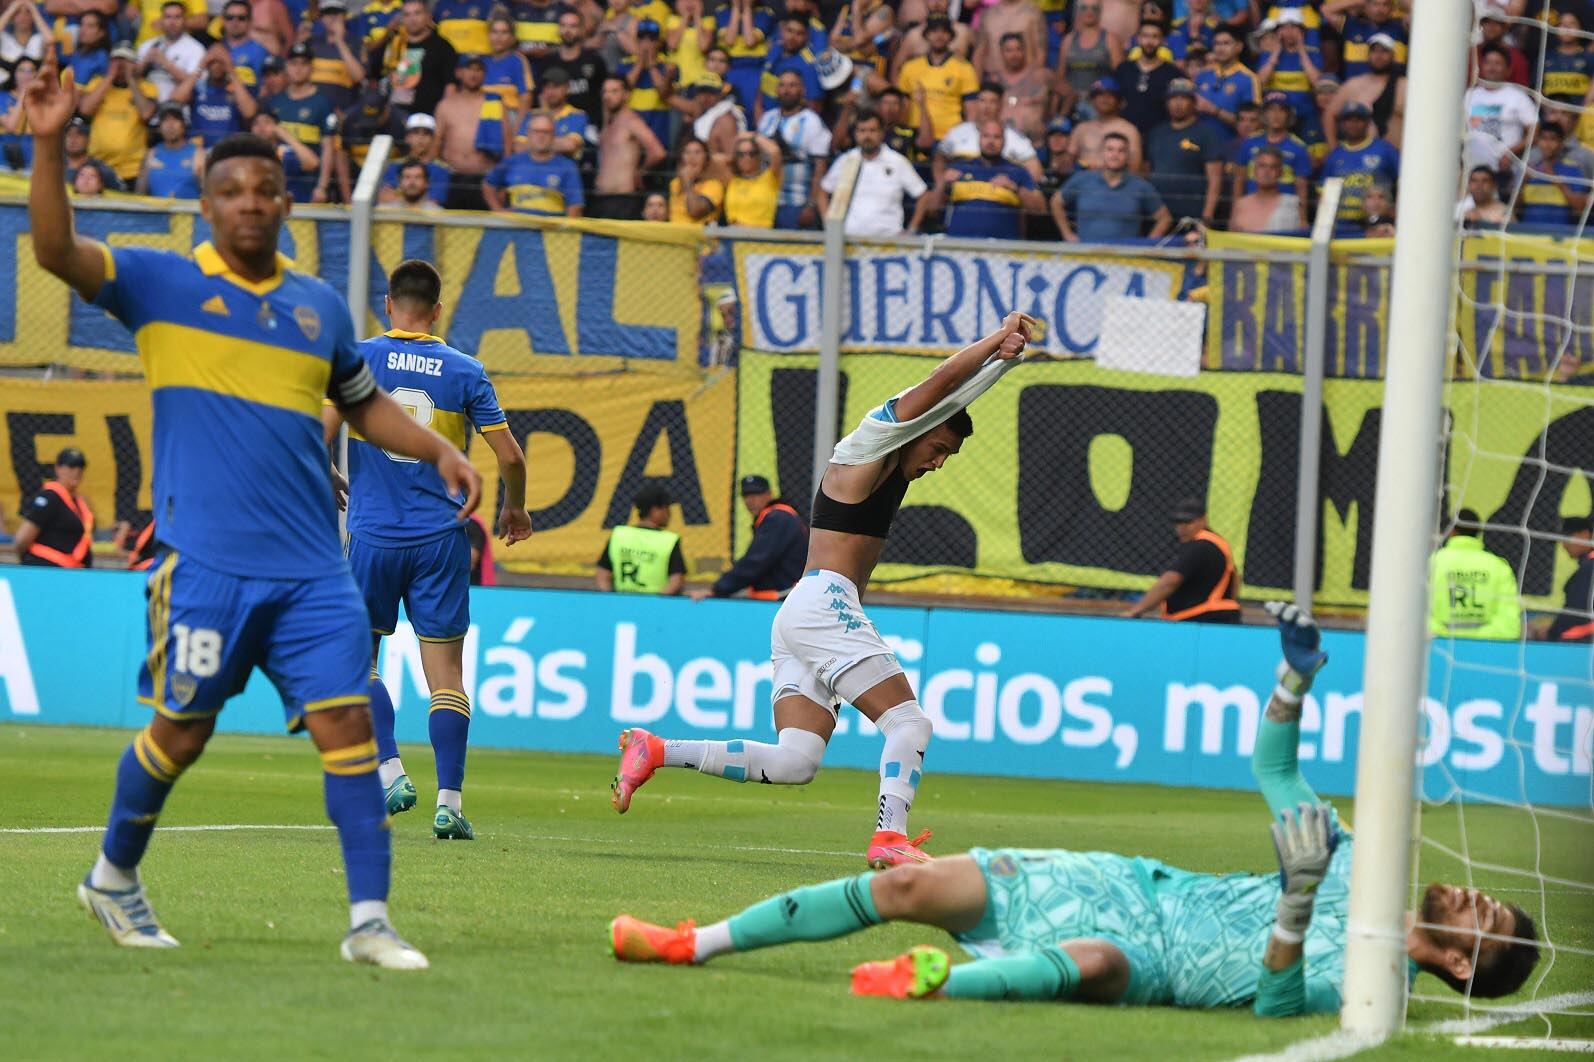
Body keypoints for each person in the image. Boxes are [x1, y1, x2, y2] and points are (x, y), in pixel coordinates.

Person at [28, 45, 483, 964]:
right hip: (207, 564)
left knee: (349, 722)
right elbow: (54, 249)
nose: (248, 202)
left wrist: (437, 445)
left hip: (316, 569)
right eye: (230, 189)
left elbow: (363, 406)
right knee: (182, 733)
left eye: (264, 189)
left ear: (284, 202)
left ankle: (369, 922)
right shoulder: (161, 284)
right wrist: (47, 145)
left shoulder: (318, 308)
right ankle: (113, 877)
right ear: (208, 202)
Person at [609, 605, 1543, 1018]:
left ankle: (929, 980)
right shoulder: (1354, 864)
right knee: (902, 881)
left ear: (1458, 962)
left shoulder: (1379, 992)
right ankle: (692, 942)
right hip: (1127, 884)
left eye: (1480, 916)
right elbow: (1272, 762)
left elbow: (1273, 1005)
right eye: (1483, 898)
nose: (1466, 894)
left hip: (1157, 962)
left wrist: (1295, 904)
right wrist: (1295, 679)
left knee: (1091, 964)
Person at [609, 312, 1036, 869]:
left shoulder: (896, 459)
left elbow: (945, 403)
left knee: (796, 761)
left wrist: (1002, 362)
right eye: (937, 450)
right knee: (910, 723)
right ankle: (890, 837)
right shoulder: (868, 445)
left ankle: (657, 749)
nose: (936, 464)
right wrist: (989, 344)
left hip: (803, 609)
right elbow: (936, 388)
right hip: (825, 605)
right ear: (919, 428)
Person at [324, 259, 530, 841]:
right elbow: (510, 457)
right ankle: (450, 802)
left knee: (356, 663)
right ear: (437, 311)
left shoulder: (358, 358)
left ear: (387, 304)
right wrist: (513, 508)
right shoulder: (466, 370)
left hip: (371, 538)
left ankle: (390, 771)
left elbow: (313, 432)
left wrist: (328, 473)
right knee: (446, 678)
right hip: (441, 539)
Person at [691, 475, 807, 601]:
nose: (749, 501)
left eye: (755, 495)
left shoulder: (777, 517)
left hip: (783, 596)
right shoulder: (780, 515)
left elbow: (756, 562)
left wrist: (718, 588)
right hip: (784, 594)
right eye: (746, 496)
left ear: (769, 494)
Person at [1124, 497, 1240, 622]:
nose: (1182, 528)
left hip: (1203, 620)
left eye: (1188, 522)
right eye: (1178, 522)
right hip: (1216, 619)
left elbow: (1170, 581)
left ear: (1203, 520)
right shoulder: (1215, 543)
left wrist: (1135, 611)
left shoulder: (1201, 545)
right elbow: (1236, 579)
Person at [819, 107, 927, 237]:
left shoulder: (897, 161)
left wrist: (912, 230)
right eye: (862, 131)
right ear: (855, 134)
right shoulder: (846, 160)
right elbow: (822, 192)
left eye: (872, 130)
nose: (867, 136)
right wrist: (830, 227)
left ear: (882, 133)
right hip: (849, 242)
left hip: (889, 241)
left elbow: (923, 195)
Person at [932, 118, 1044, 239]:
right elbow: (931, 210)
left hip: (1002, 250)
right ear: (979, 139)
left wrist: (1015, 189)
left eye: (996, 137)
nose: (991, 141)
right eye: (986, 136)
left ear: (1004, 141)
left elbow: (1040, 210)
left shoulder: (1018, 171)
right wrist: (942, 184)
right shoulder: (959, 167)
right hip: (960, 250)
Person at [1053, 131, 1170, 241]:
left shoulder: (1140, 186)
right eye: (1110, 149)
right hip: (1085, 256)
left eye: (1121, 150)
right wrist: (1067, 234)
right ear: (1101, 153)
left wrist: (1147, 245)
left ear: (1128, 156)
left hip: (1124, 259)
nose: (1115, 155)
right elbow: (1056, 202)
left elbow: (1164, 218)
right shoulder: (1082, 179)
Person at [1429, 509, 1521, 642]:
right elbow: (1509, 626)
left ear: (1451, 531)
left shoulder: (1432, 563)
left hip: (1438, 647)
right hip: (1487, 651)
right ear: (1479, 532)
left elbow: (1417, 616)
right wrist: (1477, 637)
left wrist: (1444, 634)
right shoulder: (1499, 567)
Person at [434, 52, 512, 210]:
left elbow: (507, 146)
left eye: (479, 70)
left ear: (484, 74)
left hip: (486, 179)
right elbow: (435, 145)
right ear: (459, 73)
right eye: (469, 69)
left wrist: (503, 183)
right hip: (452, 178)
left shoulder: (495, 104)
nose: (474, 74)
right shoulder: (445, 105)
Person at [756, 68, 831, 228]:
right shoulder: (767, 119)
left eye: (792, 85)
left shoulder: (812, 122)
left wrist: (811, 205)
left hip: (797, 204)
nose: (786, 90)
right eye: (782, 85)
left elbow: (820, 168)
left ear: (802, 90)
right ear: (776, 89)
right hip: (765, 202)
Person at [1143, 77, 1222, 227]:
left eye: (1184, 98)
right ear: (1166, 102)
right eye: (1173, 98)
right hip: (1157, 215)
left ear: (1194, 102)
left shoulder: (1206, 134)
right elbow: (1146, 174)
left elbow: (1215, 180)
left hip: (1191, 215)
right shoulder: (1156, 133)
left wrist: (1207, 217)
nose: (1178, 103)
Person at [265, 42, 335, 200]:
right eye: (293, 63)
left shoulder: (322, 102)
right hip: (279, 184)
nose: (298, 69)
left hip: (309, 184)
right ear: (287, 66)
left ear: (311, 67)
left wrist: (322, 186)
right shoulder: (275, 102)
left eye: (304, 64)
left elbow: (328, 148)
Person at [484, 107, 584, 214]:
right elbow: (488, 184)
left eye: (546, 132)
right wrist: (498, 210)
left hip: (550, 229)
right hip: (517, 228)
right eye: (536, 131)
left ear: (554, 135)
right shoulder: (513, 161)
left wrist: (565, 229)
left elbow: (576, 205)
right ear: (528, 134)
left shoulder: (567, 167)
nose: (541, 136)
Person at [591, 76, 665, 219]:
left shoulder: (631, 121)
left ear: (626, 95)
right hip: (601, 198)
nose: (608, 96)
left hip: (622, 199)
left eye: (614, 91)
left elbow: (658, 152)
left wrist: (640, 171)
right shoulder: (608, 123)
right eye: (605, 92)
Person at [81, 44, 156, 185]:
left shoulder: (146, 87)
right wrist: (109, 76)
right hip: (98, 167)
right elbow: (85, 109)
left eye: (125, 61)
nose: (120, 65)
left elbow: (146, 114)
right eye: (116, 60)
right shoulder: (98, 82)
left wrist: (130, 79)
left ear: (135, 64)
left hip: (131, 170)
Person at [896, 14, 977, 143]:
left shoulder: (965, 69)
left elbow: (971, 110)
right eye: (934, 31)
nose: (939, 36)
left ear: (951, 36)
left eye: (944, 32)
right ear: (926, 35)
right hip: (915, 135)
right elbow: (903, 107)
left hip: (950, 137)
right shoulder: (910, 68)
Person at [372, 0, 459, 118]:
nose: (412, 19)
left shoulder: (443, 47)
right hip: (393, 116)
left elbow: (450, 86)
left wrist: (444, 115)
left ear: (428, 16)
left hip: (427, 117)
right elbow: (373, 76)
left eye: (417, 13)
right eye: (407, 15)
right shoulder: (393, 44)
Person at [596, 486, 688, 595]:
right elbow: (676, 581)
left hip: (621, 601)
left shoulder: (619, 534)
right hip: (654, 605)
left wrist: (610, 597)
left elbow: (602, 573)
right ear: (655, 510)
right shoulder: (669, 540)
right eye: (666, 508)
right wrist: (656, 602)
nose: (669, 513)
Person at [14, 447, 95, 568]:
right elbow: (22, 539)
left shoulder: (80, 502)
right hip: (45, 568)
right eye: (71, 467)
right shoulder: (50, 497)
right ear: (58, 468)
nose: (76, 472)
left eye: (80, 468)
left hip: (70, 570)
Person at [1320, 100, 1398, 225]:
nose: (1353, 124)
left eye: (1358, 120)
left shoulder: (1384, 149)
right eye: (1348, 120)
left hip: (1376, 223)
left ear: (1368, 123)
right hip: (1341, 224)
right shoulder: (1334, 155)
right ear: (1342, 124)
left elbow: (1404, 183)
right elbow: (1324, 194)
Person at [1321, 33, 1403, 151]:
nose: (1379, 56)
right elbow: (1329, 114)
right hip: (1360, 161)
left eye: (1384, 51)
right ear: (1367, 55)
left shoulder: (1406, 86)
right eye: (1374, 51)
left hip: (1397, 158)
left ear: (1393, 56)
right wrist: (1334, 150)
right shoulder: (1353, 85)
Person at [1463, 45, 1536, 176]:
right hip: (1472, 170)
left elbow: (1534, 130)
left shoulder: (1518, 96)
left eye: (1497, 63)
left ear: (1508, 70)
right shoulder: (1470, 95)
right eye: (1488, 63)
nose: (1492, 67)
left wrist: (1510, 153)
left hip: (1503, 170)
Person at [1230, 92, 1310, 208]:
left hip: (1284, 210)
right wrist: (1236, 210)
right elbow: (1239, 180)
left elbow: (1301, 188)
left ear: (1289, 114)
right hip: (1252, 207)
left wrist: (1302, 218)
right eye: (1271, 109)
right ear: (1264, 114)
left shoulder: (1298, 147)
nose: (1276, 115)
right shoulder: (1249, 142)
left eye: (1281, 110)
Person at [171, 44, 258, 149]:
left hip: (229, 151)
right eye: (212, 62)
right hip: (199, 151)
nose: (216, 66)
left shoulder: (237, 88)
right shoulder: (198, 87)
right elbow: (174, 102)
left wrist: (231, 71)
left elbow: (249, 112)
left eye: (221, 62)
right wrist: (200, 67)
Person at [535, 7, 606, 125]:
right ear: (558, 29)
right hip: (554, 126)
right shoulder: (546, 62)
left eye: (573, 26)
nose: (567, 30)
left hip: (590, 126)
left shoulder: (594, 61)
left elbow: (604, 96)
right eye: (563, 26)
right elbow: (541, 97)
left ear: (582, 30)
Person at [1056, 0, 1124, 120]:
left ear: (1100, 11)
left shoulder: (1110, 40)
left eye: (1094, 8)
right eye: (1084, 8)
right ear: (1077, 11)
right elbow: (1060, 77)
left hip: (1100, 104)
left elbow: (1121, 76)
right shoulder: (1068, 40)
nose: (1089, 12)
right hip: (1072, 102)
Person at [1256, 9, 1321, 130]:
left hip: (1305, 113)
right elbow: (1260, 82)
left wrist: (1301, 50)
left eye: (1294, 27)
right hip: (1276, 116)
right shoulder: (1268, 55)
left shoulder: (1312, 54)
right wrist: (1276, 52)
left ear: (1302, 31)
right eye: (1284, 28)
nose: (1289, 32)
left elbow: (1317, 83)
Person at [1111, 20, 1178, 138]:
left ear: (1163, 40)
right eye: (1145, 36)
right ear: (1137, 39)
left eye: (1155, 36)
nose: (1149, 42)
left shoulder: (1172, 73)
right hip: (1124, 135)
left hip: (1160, 136)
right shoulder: (1124, 69)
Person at [1518, 122, 1588, 229]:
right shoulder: (1529, 170)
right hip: (1529, 235)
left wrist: (1558, 183)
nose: (1547, 144)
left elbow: (1581, 208)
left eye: (1553, 139)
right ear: (1538, 142)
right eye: (1544, 138)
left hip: (1560, 236)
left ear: (1561, 143)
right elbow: (1514, 207)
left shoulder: (1572, 170)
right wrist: (1523, 182)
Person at [1191, 24, 1256, 134]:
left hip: (1230, 145)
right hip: (1199, 143)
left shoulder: (1249, 79)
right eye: (1217, 43)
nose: (1221, 48)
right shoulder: (1203, 75)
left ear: (1239, 47)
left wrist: (1213, 110)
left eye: (1226, 43)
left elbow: (1252, 124)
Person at [136, 0, 205, 101]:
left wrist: (166, 63)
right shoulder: (147, 45)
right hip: (147, 103)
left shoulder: (196, 48)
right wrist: (145, 62)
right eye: (168, 17)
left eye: (177, 17)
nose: (172, 22)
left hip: (176, 108)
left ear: (184, 20)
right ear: (161, 20)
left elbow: (196, 84)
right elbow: (131, 78)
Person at [714, 0, 775, 112]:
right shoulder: (722, 11)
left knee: (751, 107)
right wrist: (736, 7)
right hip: (729, 68)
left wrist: (747, 8)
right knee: (728, 108)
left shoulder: (765, 13)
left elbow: (750, 40)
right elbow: (729, 40)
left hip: (754, 69)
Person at [1069, 77, 1141, 171]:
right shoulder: (1081, 129)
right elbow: (1068, 162)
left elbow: (1135, 167)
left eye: (1110, 95)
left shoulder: (1129, 130)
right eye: (1100, 95)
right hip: (1084, 182)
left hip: (1117, 183)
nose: (1105, 99)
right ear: (1092, 100)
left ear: (1119, 101)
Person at [756, 13, 820, 120]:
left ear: (806, 37)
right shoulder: (774, 50)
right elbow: (762, 87)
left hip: (790, 127)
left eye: (799, 33)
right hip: (766, 122)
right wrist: (760, 117)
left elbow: (815, 105)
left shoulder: (808, 64)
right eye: (789, 31)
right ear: (782, 31)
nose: (792, 37)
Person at [136, 101, 204, 198]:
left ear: (183, 125)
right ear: (160, 126)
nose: (170, 125)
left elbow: (208, 195)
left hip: (188, 212)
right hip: (157, 212)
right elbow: (139, 194)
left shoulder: (198, 154)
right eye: (165, 120)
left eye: (175, 119)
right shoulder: (152, 154)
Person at [380, 111, 453, 202]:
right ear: (407, 138)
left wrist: (400, 199)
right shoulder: (393, 166)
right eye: (415, 133)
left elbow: (433, 203)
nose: (420, 138)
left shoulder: (441, 169)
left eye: (426, 134)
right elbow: (385, 198)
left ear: (433, 139)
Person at [990, 31, 1047, 144]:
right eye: (1009, 50)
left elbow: (1068, 93)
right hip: (1003, 142)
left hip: (1035, 143)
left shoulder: (1039, 76)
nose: (1014, 54)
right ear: (1001, 53)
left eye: (1018, 49)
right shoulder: (994, 80)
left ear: (1024, 51)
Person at [1229, 146, 1303, 233]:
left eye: (1273, 167)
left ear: (1281, 172)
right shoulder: (1241, 205)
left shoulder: (1293, 204)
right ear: (1254, 170)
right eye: (1262, 166)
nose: (1267, 171)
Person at [1545, 516, 1593, 643]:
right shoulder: (1587, 566)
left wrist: (1550, 633)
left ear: (1584, 535)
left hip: (1581, 642)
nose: (1564, 545)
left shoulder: (1589, 568)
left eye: (1567, 538)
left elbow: (1576, 613)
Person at [722, 129, 781, 226]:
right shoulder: (731, 179)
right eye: (741, 154)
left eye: (752, 153)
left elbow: (774, 151)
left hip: (759, 238)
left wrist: (751, 136)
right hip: (733, 237)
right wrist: (736, 141)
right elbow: (720, 159)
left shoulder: (770, 178)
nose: (747, 158)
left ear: (759, 156)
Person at [668, 135, 725, 224]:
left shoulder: (715, 186)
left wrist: (687, 182)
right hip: (674, 235)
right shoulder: (675, 183)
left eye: (697, 152)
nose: (692, 157)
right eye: (687, 152)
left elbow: (695, 211)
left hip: (698, 237)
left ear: (706, 160)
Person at [216, 0, 269, 93]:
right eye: (230, 18)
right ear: (223, 21)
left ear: (250, 21)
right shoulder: (215, 48)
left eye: (241, 18)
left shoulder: (259, 51)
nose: (235, 22)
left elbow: (263, 88)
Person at [62, 114, 124, 191]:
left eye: (80, 135)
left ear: (88, 139)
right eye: (69, 134)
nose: (73, 139)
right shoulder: (53, 167)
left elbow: (121, 194)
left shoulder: (102, 170)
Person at [1458, 164, 1511, 228]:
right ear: (1469, 184)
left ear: (1494, 185)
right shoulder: (1459, 208)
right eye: (1474, 181)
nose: (1479, 185)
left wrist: (1482, 221)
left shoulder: (1503, 211)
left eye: (1485, 181)